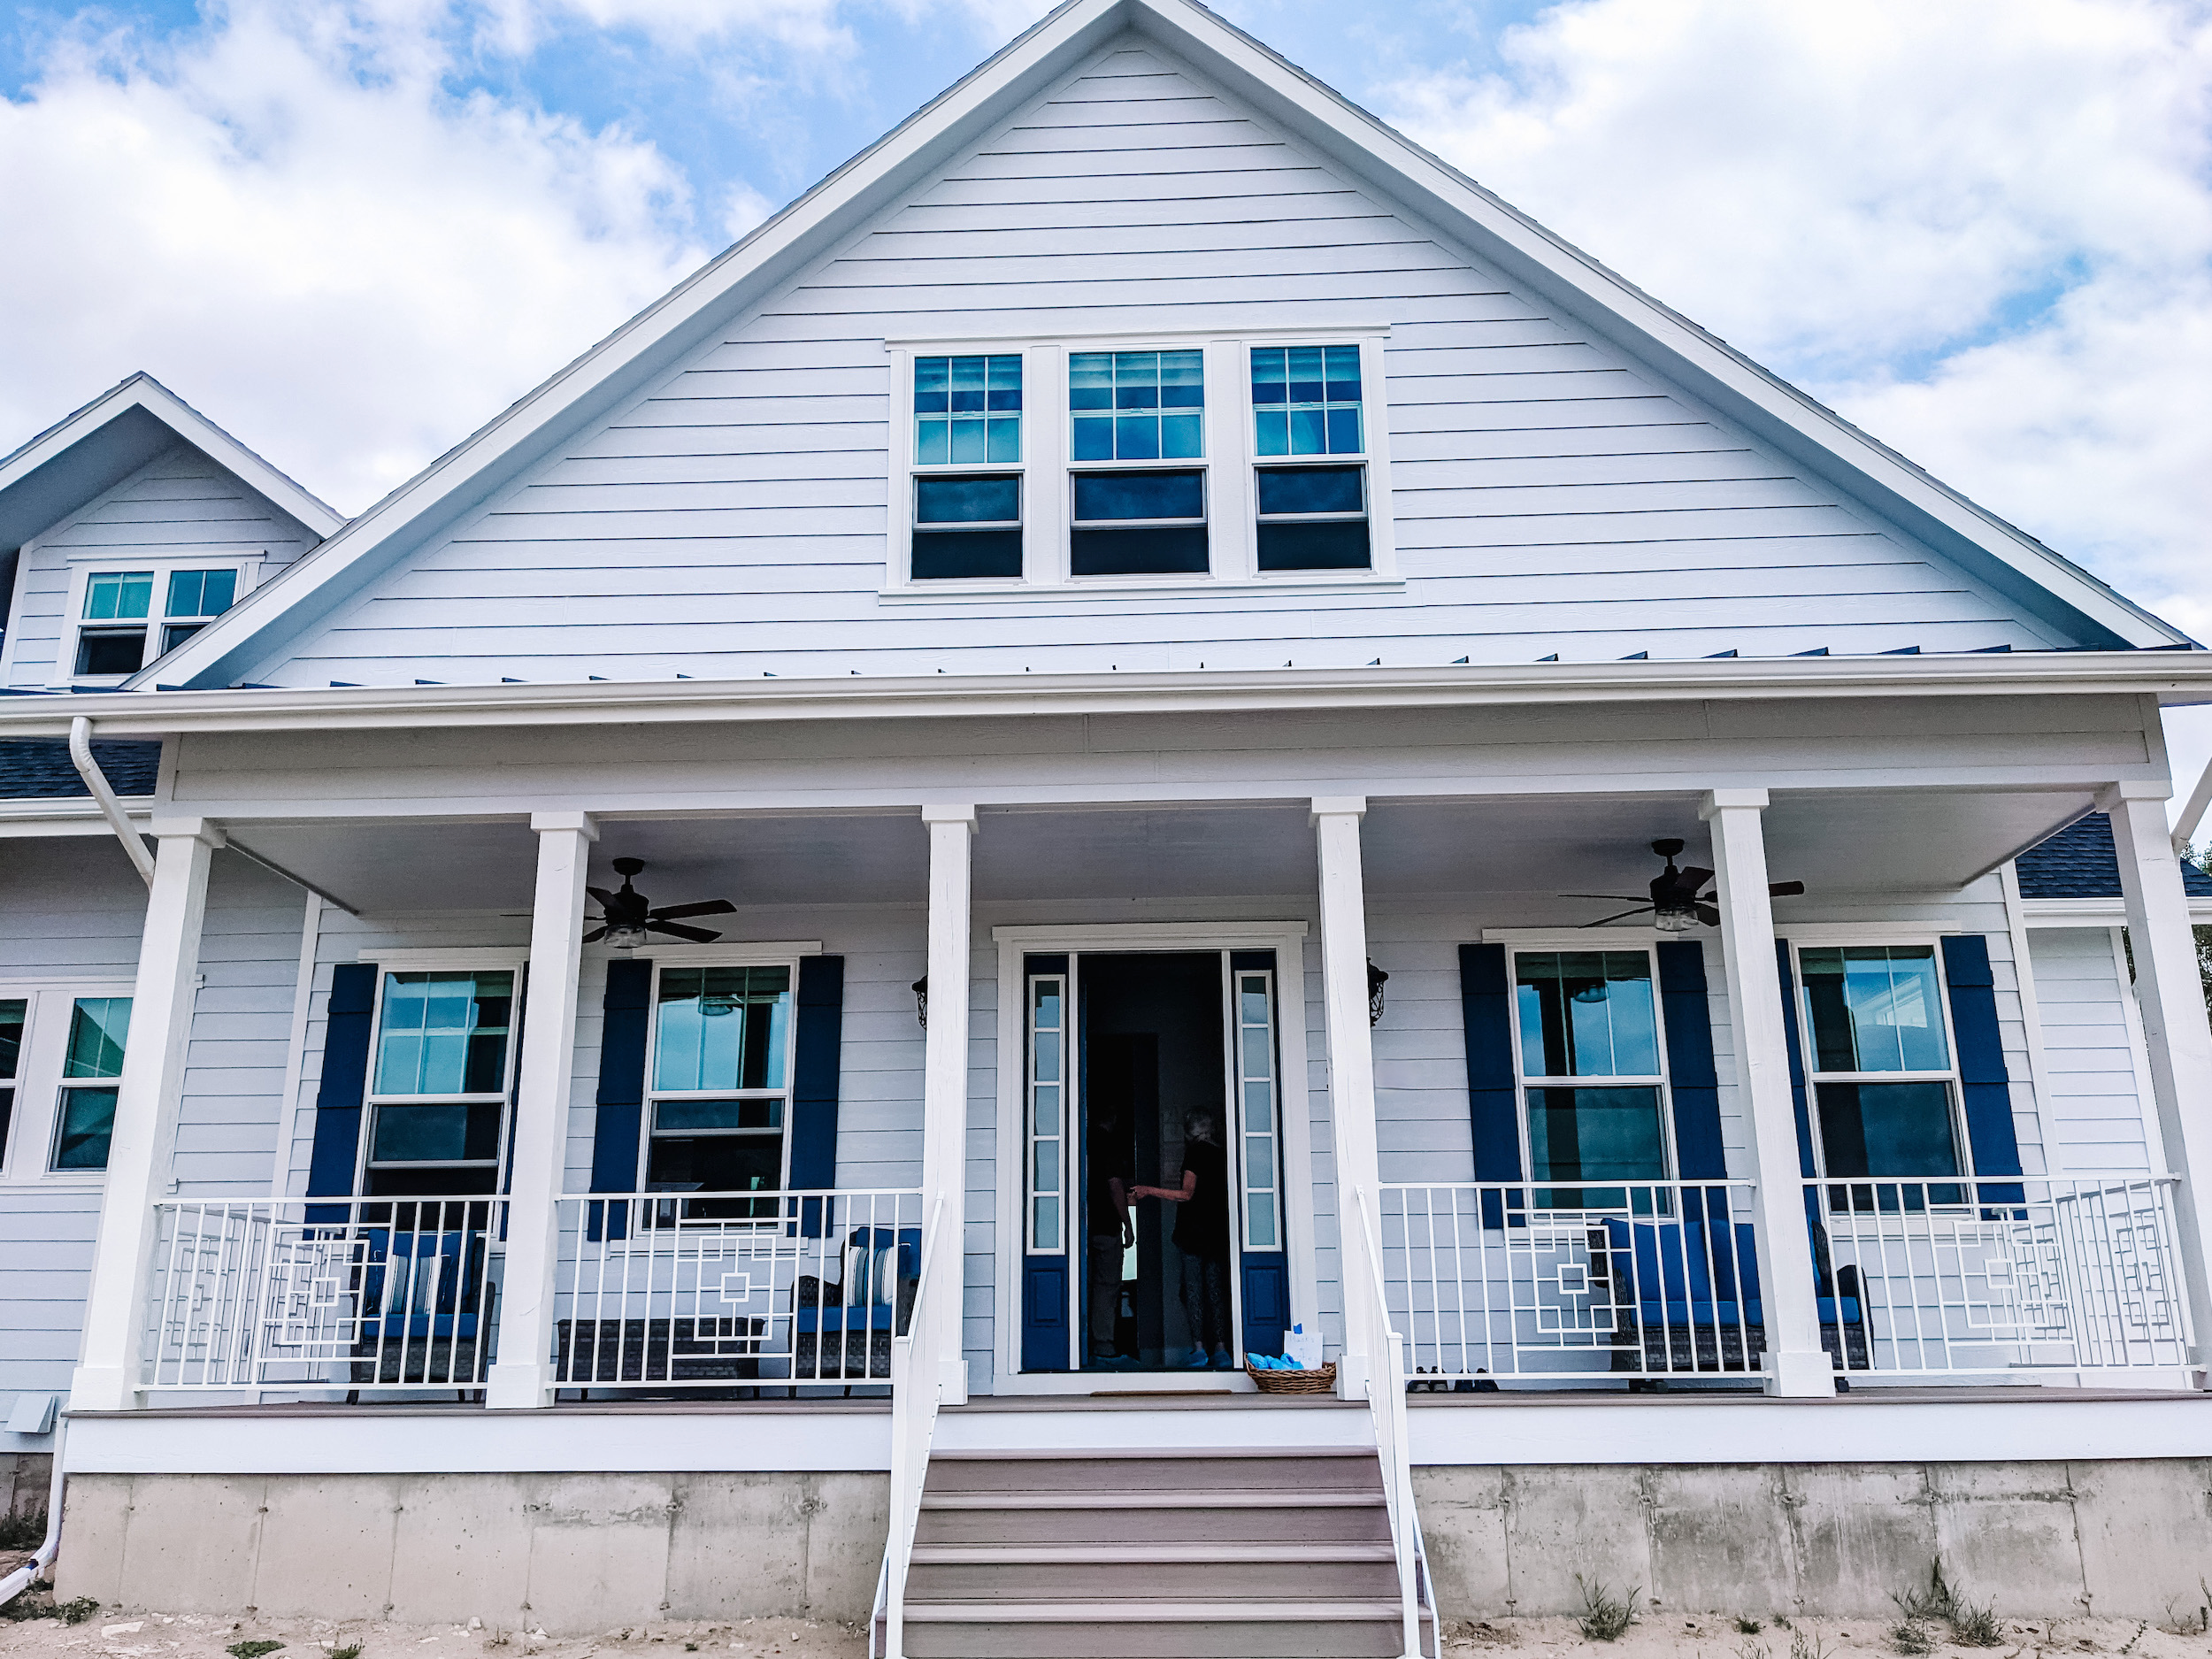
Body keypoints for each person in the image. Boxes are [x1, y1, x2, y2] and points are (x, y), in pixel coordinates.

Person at [1133, 1112, 1233, 1369]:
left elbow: (1186, 1194)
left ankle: (1199, 1350)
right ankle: (1221, 1349)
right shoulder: (1224, 1152)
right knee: (1216, 1290)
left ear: (1189, 1132)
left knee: (1193, 1290)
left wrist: (1148, 1190)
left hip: (1193, 1233)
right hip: (1218, 1230)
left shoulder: (1195, 1153)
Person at [1087, 1108, 1135, 1365]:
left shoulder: (1082, 1139)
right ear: (1113, 1117)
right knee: (1106, 1286)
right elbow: (1115, 1186)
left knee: (1083, 1283)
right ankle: (1103, 1345)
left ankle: (1079, 1343)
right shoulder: (1109, 1145)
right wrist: (1127, 1223)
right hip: (1105, 1225)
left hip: (1080, 1227)